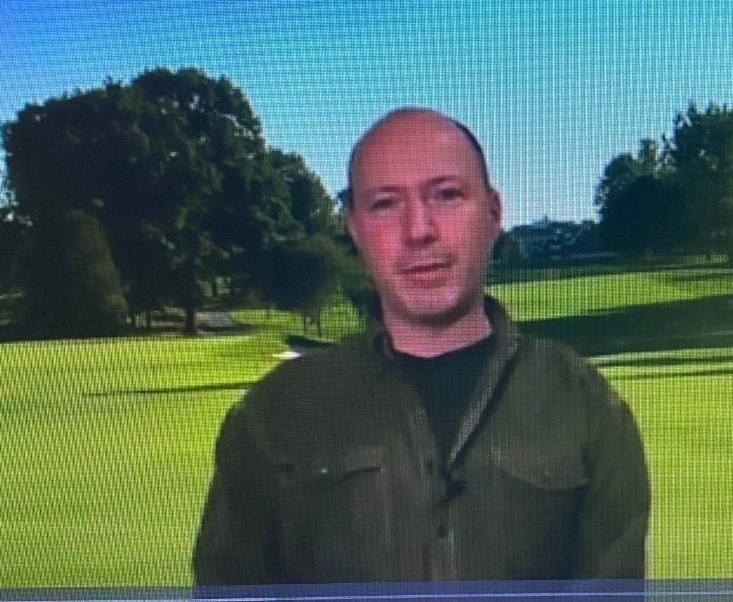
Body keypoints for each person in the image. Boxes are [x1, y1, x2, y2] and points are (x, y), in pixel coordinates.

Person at [192, 107, 649, 584]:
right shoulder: (275, 414)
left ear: (493, 213)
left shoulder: (585, 406)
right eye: (385, 205)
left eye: (446, 195)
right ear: (354, 230)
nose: (418, 231)